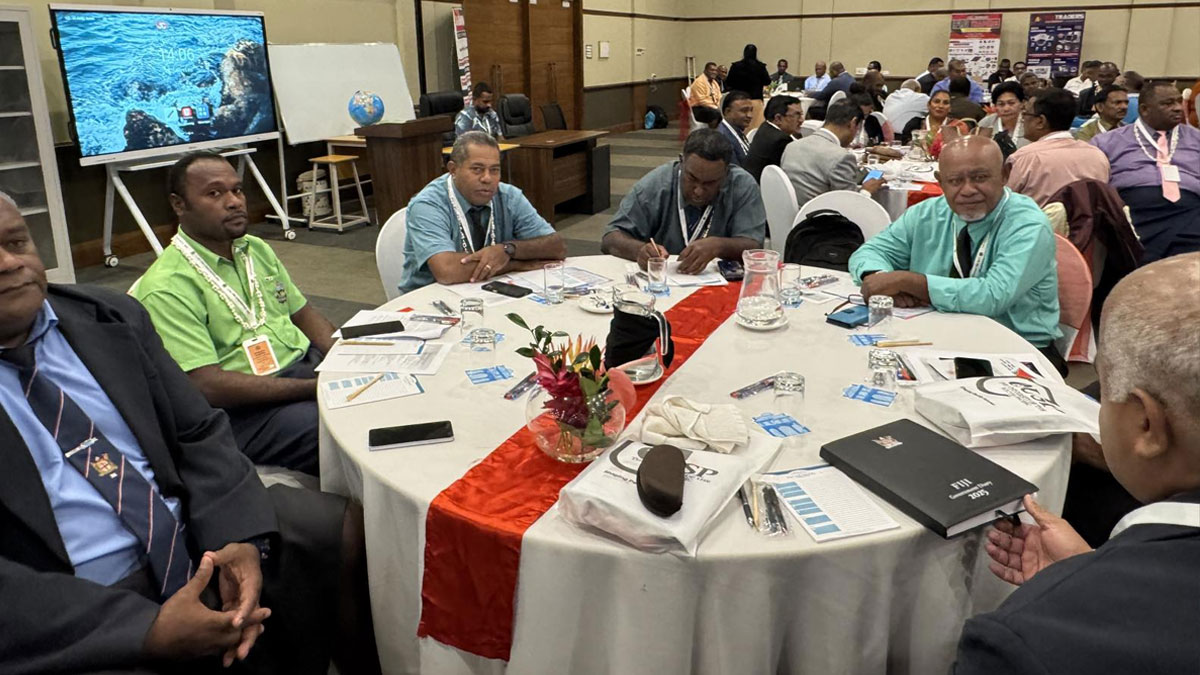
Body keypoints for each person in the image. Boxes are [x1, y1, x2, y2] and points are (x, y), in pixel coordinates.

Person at [0, 194, 381, 675]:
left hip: (194, 529)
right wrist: (142, 629)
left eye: (17, 242)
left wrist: (237, 536)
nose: (9, 263)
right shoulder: (164, 288)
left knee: (335, 528)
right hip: (74, 597)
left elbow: (197, 429)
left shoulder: (109, 316)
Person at [953, 253, 1200, 675]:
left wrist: (1082, 589)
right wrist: (1087, 569)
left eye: (1103, 386)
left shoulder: (1026, 642)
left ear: (1145, 424)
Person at [130, 153, 336, 476]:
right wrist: (315, 388)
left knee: (386, 393)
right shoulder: (166, 287)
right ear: (179, 205)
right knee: (344, 430)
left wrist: (345, 359)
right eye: (215, 193)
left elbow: (304, 314)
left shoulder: (255, 249)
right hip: (243, 409)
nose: (234, 202)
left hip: (304, 369)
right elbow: (207, 385)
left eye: (237, 190)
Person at [848, 136, 1064, 372]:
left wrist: (908, 282)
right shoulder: (927, 213)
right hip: (939, 334)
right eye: (955, 181)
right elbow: (871, 251)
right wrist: (879, 279)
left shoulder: (1027, 225)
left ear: (1005, 174)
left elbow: (993, 296)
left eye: (980, 178)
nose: (968, 190)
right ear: (940, 182)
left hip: (1016, 348)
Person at [399, 132, 566, 292]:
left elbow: (556, 247)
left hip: (488, 289)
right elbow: (447, 270)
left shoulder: (509, 196)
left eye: (494, 170)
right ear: (453, 169)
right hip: (430, 297)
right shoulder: (428, 205)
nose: (487, 178)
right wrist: (513, 264)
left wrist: (508, 250)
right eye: (477, 169)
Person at [602, 129, 765, 273]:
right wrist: (639, 250)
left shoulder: (742, 185)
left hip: (720, 283)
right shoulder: (657, 184)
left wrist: (719, 246)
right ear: (681, 162)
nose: (698, 191)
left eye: (710, 183)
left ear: (726, 173)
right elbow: (610, 238)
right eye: (692, 178)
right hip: (663, 280)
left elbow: (754, 246)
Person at [1092, 82, 1200, 262]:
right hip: (1132, 216)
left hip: (1190, 214)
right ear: (1144, 109)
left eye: (1178, 101)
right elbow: (1094, 191)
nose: (1177, 108)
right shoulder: (1107, 142)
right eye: (1167, 103)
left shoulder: (1196, 139)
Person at [1005, 88, 1111, 207]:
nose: (1022, 119)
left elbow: (1004, 204)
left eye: (1025, 114)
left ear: (1040, 121)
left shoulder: (1024, 159)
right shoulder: (1098, 156)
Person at [781, 101, 886, 205]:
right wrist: (866, 191)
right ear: (853, 123)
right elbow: (850, 206)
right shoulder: (841, 156)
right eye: (857, 129)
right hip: (820, 213)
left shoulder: (791, 146)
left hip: (790, 211)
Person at [743, 95, 803, 182]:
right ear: (778, 118)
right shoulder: (781, 140)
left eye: (801, 114)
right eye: (797, 115)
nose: (801, 120)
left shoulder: (765, 127)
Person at [978, 81, 1029, 157]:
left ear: (1022, 103)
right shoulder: (986, 124)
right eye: (1001, 104)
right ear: (995, 106)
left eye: (1011, 103)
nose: (1006, 108)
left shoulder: (1030, 123)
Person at [717, 90, 754, 166]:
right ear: (727, 112)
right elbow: (733, 170)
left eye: (751, 110)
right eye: (744, 111)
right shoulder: (722, 138)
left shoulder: (736, 129)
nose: (750, 115)